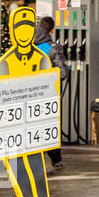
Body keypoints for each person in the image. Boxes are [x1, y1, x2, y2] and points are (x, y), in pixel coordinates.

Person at [34, 15, 67, 170]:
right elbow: (62, 73)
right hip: (46, 95)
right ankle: (55, 160)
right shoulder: (50, 47)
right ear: (52, 30)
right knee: (49, 126)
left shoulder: (26, 46)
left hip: (27, 94)